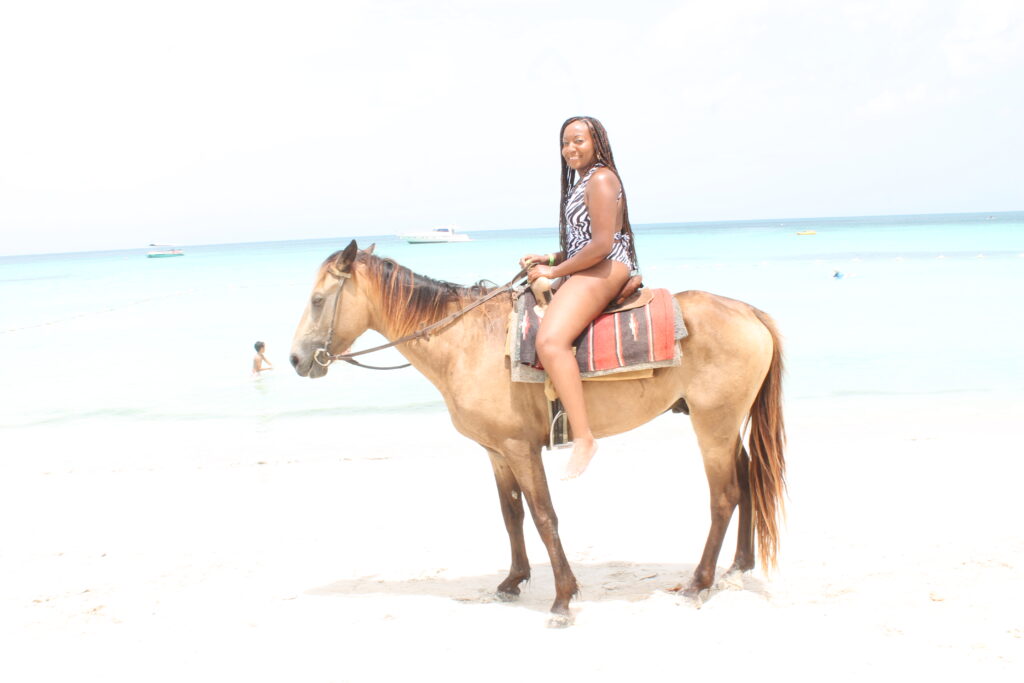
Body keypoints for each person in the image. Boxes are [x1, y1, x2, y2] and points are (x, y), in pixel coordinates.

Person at [519, 116, 640, 479]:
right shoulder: (583, 182)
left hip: (607, 265)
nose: (571, 149)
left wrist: (554, 274)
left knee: (551, 341)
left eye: (578, 141)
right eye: (565, 143)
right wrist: (551, 258)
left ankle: (584, 437)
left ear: (596, 143)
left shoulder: (601, 178)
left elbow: (602, 245)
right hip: (590, 264)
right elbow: (582, 241)